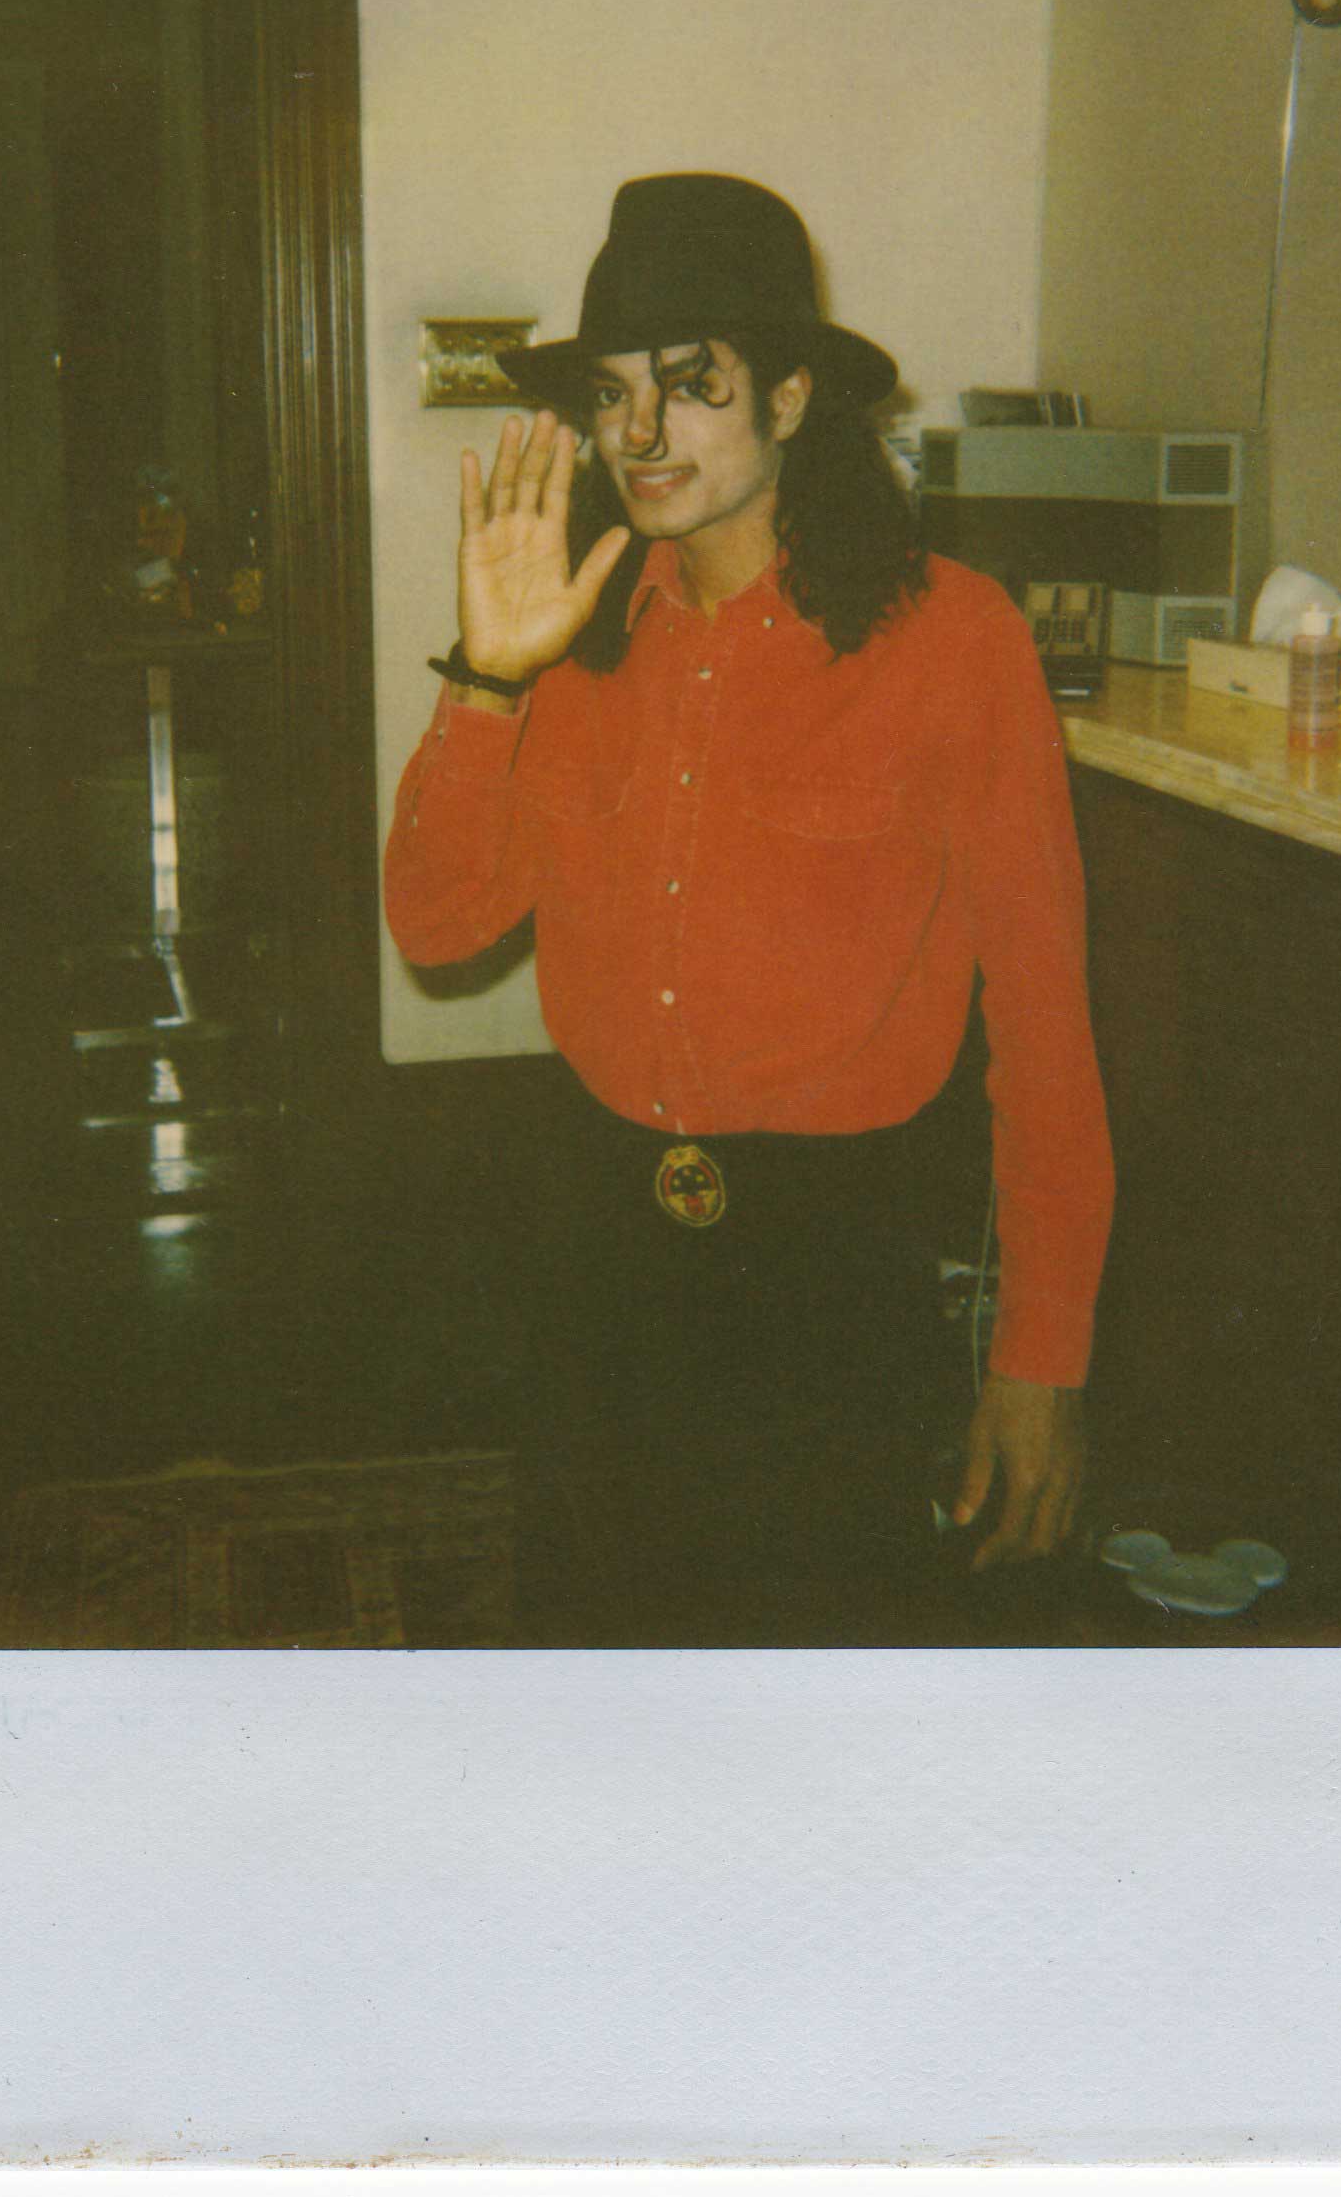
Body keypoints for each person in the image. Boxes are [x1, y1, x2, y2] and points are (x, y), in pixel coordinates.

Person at [383, 172, 1114, 1644]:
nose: (640, 432)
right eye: (613, 393)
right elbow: (438, 927)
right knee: (592, 1682)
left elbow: (1045, 1027)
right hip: (595, 1251)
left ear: (790, 396)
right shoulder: (572, 635)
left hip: (829, 1284)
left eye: (690, 382)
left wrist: (1041, 1358)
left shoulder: (954, 641)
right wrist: (490, 675)